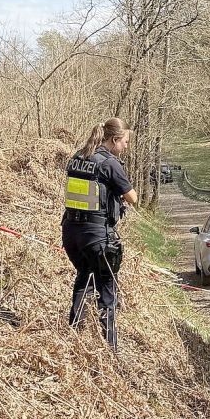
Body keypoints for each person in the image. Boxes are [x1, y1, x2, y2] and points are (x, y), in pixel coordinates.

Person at [61, 117, 137, 350]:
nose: (125, 147)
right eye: (124, 142)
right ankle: (110, 347)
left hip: (71, 233)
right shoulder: (109, 163)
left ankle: (74, 336)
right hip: (97, 236)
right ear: (114, 140)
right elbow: (132, 198)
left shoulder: (77, 157)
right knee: (107, 287)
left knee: (84, 277)